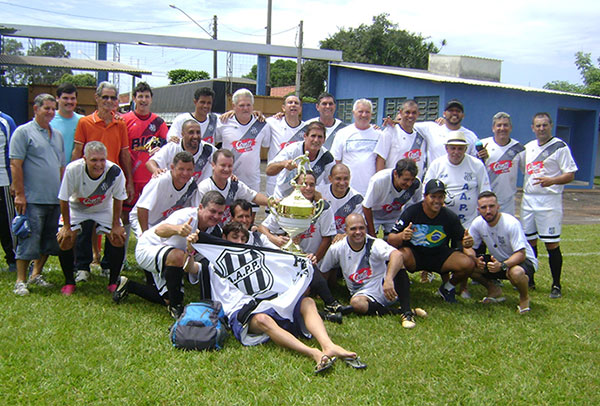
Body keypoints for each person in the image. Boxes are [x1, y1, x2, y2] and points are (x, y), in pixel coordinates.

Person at [197, 221, 364, 374]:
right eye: (235, 238)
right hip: (240, 312)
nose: (240, 242)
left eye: (243, 238)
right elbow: (191, 267)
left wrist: (302, 259)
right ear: (224, 238)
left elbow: (280, 262)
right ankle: (313, 352)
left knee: (307, 302)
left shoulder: (253, 256)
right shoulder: (212, 262)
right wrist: (191, 246)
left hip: (266, 301)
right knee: (263, 320)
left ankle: (328, 345)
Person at [114, 191, 225, 318]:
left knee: (166, 298)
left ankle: (129, 285)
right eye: (212, 211)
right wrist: (178, 229)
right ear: (200, 207)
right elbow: (159, 230)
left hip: (168, 257)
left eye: (220, 213)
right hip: (148, 248)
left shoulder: (215, 230)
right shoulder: (186, 216)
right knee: (178, 256)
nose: (216, 216)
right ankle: (176, 307)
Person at [320, 214, 426, 328]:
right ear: (345, 230)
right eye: (353, 229)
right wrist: (323, 294)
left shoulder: (374, 243)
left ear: (366, 228)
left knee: (398, 263)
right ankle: (399, 312)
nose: (358, 232)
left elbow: (397, 254)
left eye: (361, 228)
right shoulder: (337, 248)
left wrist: (389, 280)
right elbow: (324, 270)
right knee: (356, 304)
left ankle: (407, 313)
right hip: (363, 293)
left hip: (387, 288)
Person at [9, 94, 65, 296]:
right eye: (46, 108)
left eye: (53, 109)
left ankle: (36, 274)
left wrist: (62, 194)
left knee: (48, 240)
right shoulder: (23, 132)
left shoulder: (56, 135)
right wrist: (20, 194)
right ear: (36, 109)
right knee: (28, 238)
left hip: (53, 198)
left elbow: (60, 166)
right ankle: (20, 280)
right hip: (32, 198)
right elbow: (16, 164)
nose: (50, 112)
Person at [56, 141, 127, 295]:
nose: (99, 164)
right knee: (65, 239)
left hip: (103, 208)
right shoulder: (73, 169)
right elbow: (63, 199)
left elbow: (119, 198)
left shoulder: (114, 171)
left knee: (118, 237)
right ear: (85, 159)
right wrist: (67, 227)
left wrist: (116, 224)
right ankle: (69, 282)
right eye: (94, 160)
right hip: (77, 208)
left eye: (102, 160)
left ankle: (113, 282)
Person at [387, 179, 475, 303]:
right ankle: (398, 289)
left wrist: (468, 243)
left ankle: (447, 288)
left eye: (440, 197)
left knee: (468, 263)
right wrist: (402, 235)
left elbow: (463, 240)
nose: (437, 201)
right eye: (433, 196)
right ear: (425, 197)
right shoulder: (412, 212)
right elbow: (391, 238)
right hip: (415, 255)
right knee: (398, 256)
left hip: (439, 255)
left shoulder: (450, 216)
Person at [521, 112, 577, 298]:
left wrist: (552, 180)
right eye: (538, 125)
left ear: (550, 125)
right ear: (532, 127)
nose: (541, 129)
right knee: (529, 242)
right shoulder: (528, 147)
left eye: (544, 125)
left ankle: (556, 284)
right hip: (529, 200)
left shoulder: (560, 147)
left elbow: (570, 174)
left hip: (549, 201)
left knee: (551, 243)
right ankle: (530, 280)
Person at [465, 191, 537, 313]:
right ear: (478, 209)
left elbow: (521, 254)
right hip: (497, 263)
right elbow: (468, 248)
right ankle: (494, 290)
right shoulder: (478, 223)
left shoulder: (511, 223)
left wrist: (502, 265)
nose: (488, 211)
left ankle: (524, 298)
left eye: (491, 206)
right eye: (483, 207)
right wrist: (475, 259)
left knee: (516, 273)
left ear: (498, 206)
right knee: (468, 265)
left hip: (522, 262)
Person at [72, 81, 133, 199]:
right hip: (89, 179)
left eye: (113, 98)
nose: (109, 101)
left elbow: (125, 155)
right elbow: (77, 152)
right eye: (105, 97)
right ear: (97, 98)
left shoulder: (120, 124)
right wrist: (73, 178)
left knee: (113, 216)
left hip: (113, 179)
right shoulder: (84, 123)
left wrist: (129, 181)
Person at [259, 171, 336, 263]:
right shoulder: (285, 204)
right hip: (288, 257)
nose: (308, 188)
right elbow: (262, 228)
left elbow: (327, 238)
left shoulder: (323, 207)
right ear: (295, 186)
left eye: (312, 185)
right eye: (304, 184)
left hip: (312, 258)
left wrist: (314, 260)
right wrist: (274, 239)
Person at [424, 132, 491, 229]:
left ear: (466, 149)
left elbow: (485, 191)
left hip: (470, 223)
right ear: (446, 148)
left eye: (460, 148)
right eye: (453, 148)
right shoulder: (436, 164)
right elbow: (425, 192)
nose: (456, 152)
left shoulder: (477, 165)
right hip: (441, 221)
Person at [130, 151, 200, 237]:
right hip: (144, 220)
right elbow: (142, 208)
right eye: (181, 169)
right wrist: (145, 234)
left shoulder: (191, 185)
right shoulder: (160, 180)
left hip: (164, 223)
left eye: (189, 170)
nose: (185, 173)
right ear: (172, 167)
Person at [215, 88, 271, 193]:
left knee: (251, 209)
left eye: (248, 105)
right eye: (241, 105)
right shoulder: (223, 122)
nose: (245, 108)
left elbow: (267, 144)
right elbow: (212, 142)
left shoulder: (262, 124)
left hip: (252, 182)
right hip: (227, 179)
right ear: (233, 106)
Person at [197, 149, 268, 224]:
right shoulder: (205, 187)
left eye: (230, 166)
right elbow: (199, 215)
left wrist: (273, 202)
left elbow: (254, 197)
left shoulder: (234, 184)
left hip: (228, 231)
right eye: (223, 165)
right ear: (213, 165)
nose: (227, 169)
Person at [267, 121, 334, 199]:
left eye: (320, 137)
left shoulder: (327, 158)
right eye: (313, 136)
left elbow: (330, 184)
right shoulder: (292, 150)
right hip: (283, 198)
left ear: (324, 140)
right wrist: (283, 164)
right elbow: (269, 170)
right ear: (305, 136)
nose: (316, 140)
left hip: (307, 202)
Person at [330, 99, 380, 196]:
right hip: (346, 190)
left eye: (367, 112)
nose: (364, 115)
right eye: (360, 111)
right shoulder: (342, 133)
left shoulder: (379, 135)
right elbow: (336, 162)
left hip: (370, 191)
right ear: (353, 113)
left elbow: (380, 163)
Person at [478, 112, 525, 215]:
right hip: (485, 200)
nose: (502, 128)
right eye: (499, 125)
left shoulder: (518, 148)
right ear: (493, 128)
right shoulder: (483, 145)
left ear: (511, 127)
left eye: (505, 125)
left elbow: (528, 171)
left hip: (507, 202)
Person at [363, 158, 422, 237]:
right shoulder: (379, 180)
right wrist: (372, 233)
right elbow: (366, 206)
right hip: (373, 215)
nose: (409, 184)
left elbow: (418, 205)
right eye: (406, 180)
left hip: (395, 216)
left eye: (412, 180)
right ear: (395, 174)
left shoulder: (416, 184)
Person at [146, 119, 215, 184]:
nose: (195, 136)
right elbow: (150, 162)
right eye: (191, 132)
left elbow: (223, 160)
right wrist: (156, 170)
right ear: (182, 134)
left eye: (198, 132)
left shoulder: (208, 149)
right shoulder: (173, 147)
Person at [414, 99, 481, 163]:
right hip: (435, 174)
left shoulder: (471, 136)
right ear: (444, 114)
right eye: (451, 110)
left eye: (458, 111)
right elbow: (408, 124)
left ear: (463, 115)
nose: (454, 113)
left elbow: (476, 160)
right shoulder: (431, 129)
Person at [375, 99, 429, 175]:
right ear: (400, 112)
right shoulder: (390, 132)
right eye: (407, 112)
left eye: (414, 113)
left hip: (415, 184)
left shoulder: (422, 135)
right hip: (393, 183)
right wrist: (380, 180)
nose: (410, 115)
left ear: (418, 114)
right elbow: (380, 158)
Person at [265, 95, 306, 195]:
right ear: (283, 107)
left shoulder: (307, 128)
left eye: (296, 103)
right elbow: (254, 120)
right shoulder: (272, 123)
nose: (293, 105)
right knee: (273, 209)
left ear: (300, 109)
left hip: (296, 181)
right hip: (274, 178)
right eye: (290, 102)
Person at [317, 163, 363, 237]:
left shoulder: (356, 199)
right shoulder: (319, 192)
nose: (342, 183)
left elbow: (357, 227)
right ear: (330, 178)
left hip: (343, 239)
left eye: (345, 179)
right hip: (321, 236)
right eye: (338, 178)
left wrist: (344, 236)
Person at [0, 110, 17, 272]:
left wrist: (13, 181)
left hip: (3, 181)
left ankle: (14, 258)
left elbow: (13, 154)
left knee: (8, 222)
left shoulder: (6, 121)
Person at [51, 82, 82, 164]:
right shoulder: (48, 120)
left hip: (74, 173)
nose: (69, 101)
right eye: (65, 98)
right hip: (53, 170)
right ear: (57, 98)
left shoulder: (83, 121)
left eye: (72, 98)